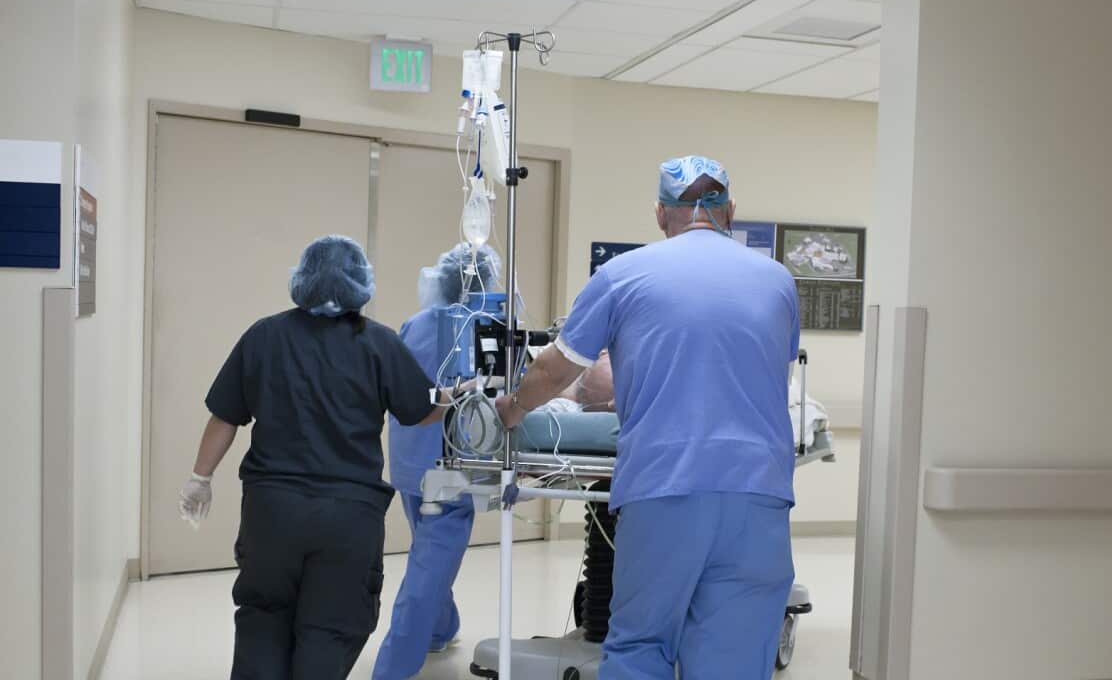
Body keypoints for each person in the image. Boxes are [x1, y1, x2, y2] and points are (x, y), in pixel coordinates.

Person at [496, 156, 801, 680]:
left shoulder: (623, 275)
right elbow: (775, 362)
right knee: (735, 659)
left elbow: (556, 367)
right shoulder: (777, 281)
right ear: (731, 211)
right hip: (759, 495)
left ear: (661, 215)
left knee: (640, 649)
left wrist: (513, 407)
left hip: (665, 490)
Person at [177, 235, 454, 680]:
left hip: (272, 514)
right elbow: (422, 410)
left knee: (262, 619)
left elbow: (225, 416)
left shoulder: (263, 336)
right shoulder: (379, 344)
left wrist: (199, 477)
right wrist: (459, 396)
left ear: (301, 279)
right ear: (361, 285)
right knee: (330, 627)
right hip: (348, 516)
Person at [373, 242, 501, 680]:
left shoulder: (417, 323)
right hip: (455, 464)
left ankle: (439, 630)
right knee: (428, 566)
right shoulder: (491, 326)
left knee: (428, 549)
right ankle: (392, 667)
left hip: (410, 458)